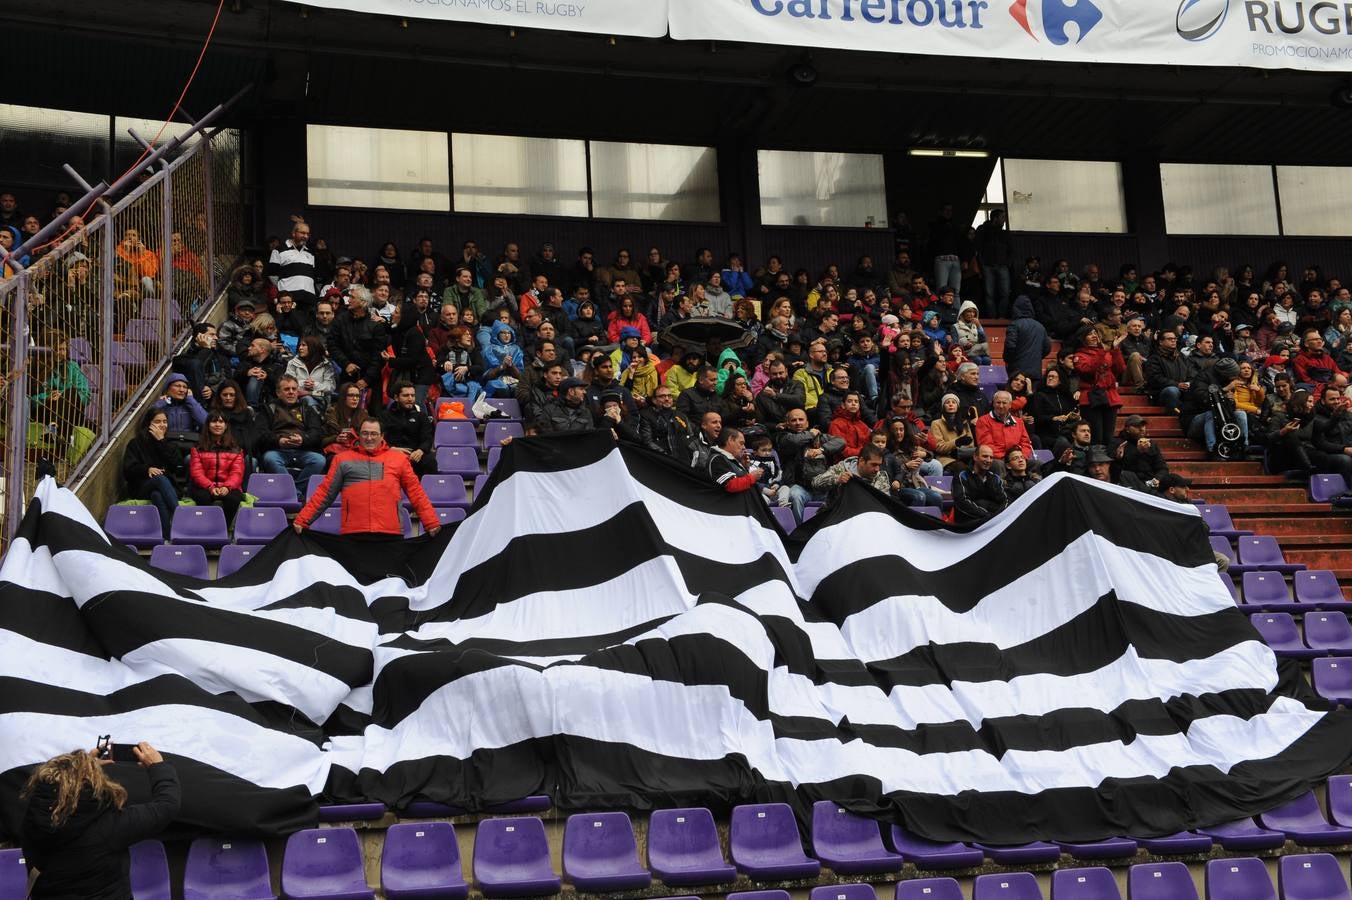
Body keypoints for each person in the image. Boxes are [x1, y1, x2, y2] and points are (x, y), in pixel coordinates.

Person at [21, 741, 179, 899]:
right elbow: (166, 806)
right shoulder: (109, 827)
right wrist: (158, 766)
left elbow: (57, 789)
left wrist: (83, 768)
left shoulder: (32, 820)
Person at [294, 417, 440, 536]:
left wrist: (431, 522)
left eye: (374, 434)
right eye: (365, 433)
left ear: (382, 436)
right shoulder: (342, 459)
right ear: (359, 435)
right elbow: (325, 494)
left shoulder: (399, 459)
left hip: (390, 532)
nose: (369, 438)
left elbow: (416, 493)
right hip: (354, 532)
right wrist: (302, 520)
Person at [258, 375, 327, 499]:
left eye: (294, 389)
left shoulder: (307, 409)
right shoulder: (268, 409)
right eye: (287, 389)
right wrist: (279, 441)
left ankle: (293, 492)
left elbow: (317, 433)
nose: (291, 392)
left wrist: (303, 440)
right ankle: (295, 494)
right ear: (278, 393)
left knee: (319, 460)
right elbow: (261, 434)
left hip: (303, 450)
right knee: (270, 458)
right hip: (278, 450)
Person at [121, 408, 181, 539]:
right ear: (149, 424)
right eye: (157, 421)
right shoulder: (136, 444)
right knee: (159, 479)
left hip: (167, 487)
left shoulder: (170, 445)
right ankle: (180, 516)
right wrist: (147, 469)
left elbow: (175, 465)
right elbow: (128, 470)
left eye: (165, 421)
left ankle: (167, 537)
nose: (162, 425)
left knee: (157, 495)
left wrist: (161, 442)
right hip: (141, 486)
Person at [187, 413, 246, 525]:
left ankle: (223, 528)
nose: (217, 425)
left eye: (221, 421)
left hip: (229, 486)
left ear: (226, 425)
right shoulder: (197, 448)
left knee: (233, 499)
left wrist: (227, 486)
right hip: (204, 486)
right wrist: (210, 486)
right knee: (203, 497)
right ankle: (206, 528)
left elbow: (237, 473)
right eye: (214, 421)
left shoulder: (236, 449)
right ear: (208, 425)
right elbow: (197, 472)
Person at [380, 382, 437, 476]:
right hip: (392, 453)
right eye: (406, 395)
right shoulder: (384, 416)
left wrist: (421, 450)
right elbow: (380, 439)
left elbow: (427, 437)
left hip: (415, 454)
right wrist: (390, 449)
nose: (410, 399)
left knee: (430, 461)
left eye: (413, 395)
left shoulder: (421, 416)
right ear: (396, 397)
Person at [974, 390, 1034, 473]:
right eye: (998, 402)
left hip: (1016, 457)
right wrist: (1008, 459)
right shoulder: (983, 421)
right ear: (993, 404)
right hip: (996, 458)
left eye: (1004, 403)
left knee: (1037, 464)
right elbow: (986, 446)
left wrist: (1021, 457)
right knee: (998, 464)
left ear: (1010, 405)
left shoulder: (1019, 421)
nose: (1001, 406)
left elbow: (1026, 443)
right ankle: (1003, 486)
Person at [951, 444, 1007, 524]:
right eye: (985, 456)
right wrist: (987, 516)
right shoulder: (962, 476)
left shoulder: (995, 478)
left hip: (992, 521)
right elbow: (962, 502)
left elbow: (1004, 501)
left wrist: (997, 516)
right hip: (969, 522)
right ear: (975, 457)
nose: (988, 460)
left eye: (991, 457)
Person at [812, 442, 891, 497]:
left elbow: (884, 503)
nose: (877, 469)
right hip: (837, 513)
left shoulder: (881, 477)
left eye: (879, 465)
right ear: (862, 461)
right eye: (874, 465)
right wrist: (837, 480)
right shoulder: (842, 468)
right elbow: (815, 483)